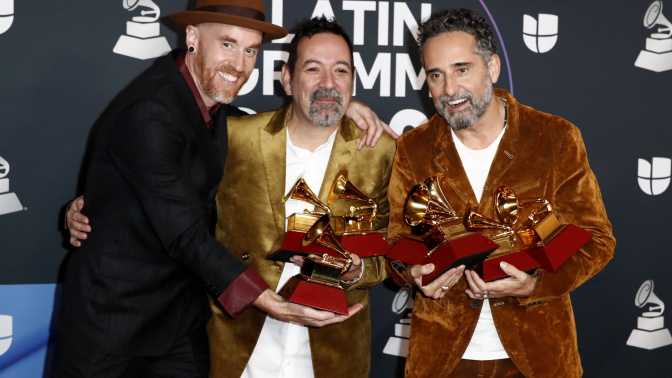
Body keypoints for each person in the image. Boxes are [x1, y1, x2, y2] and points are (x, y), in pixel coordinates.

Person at [55, 1, 391, 377]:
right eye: (228, 44)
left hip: (183, 323)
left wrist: (337, 102)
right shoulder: (151, 110)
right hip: (113, 324)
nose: (239, 63)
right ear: (193, 37)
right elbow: (184, 234)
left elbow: (389, 249)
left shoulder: (218, 115)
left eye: (250, 50)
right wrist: (270, 302)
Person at [385, 8, 616, 378]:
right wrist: (410, 273)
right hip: (442, 358)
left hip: (538, 356)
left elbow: (596, 239)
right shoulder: (415, 148)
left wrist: (536, 283)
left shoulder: (553, 138)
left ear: (491, 67)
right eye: (436, 75)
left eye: (462, 69)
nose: (449, 90)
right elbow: (395, 242)